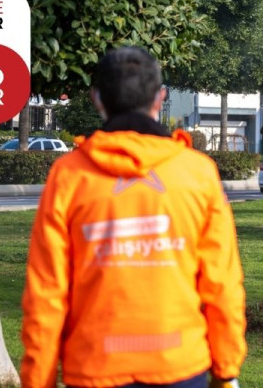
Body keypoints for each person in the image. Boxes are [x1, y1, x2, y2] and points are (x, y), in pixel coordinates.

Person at [20, 47, 246, 388]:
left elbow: (47, 292)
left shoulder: (68, 177)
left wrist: (38, 380)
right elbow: (221, 282)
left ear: (97, 99)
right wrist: (227, 369)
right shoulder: (198, 173)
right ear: (161, 98)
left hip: (95, 367)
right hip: (181, 366)